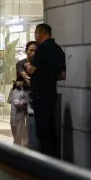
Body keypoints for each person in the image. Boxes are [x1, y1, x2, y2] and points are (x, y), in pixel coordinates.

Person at [25, 23, 66, 158]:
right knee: (51, 127)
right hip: (52, 93)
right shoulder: (59, 50)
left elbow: (31, 70)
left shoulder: (41, 49)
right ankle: (54, 158)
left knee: (41, 129)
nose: (35, 36)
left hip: (40, 94)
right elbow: (62, 75)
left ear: (40, 33)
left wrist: (27, 65)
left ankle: (45, 159)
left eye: (36, 33)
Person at [9, 79, 31, 147]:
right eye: (17, 81)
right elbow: (10, 101)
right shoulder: (12, 91)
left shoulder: (25, 92)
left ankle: (15, 150)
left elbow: (27, 105)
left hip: (20, 117)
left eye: (20, 81)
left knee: (18, 137)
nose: (18, 83)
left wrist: (22, 105)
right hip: (12, 117)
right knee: (15, 133)